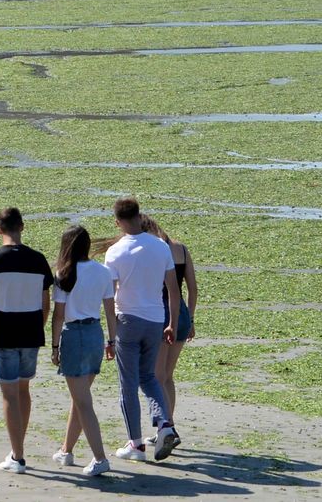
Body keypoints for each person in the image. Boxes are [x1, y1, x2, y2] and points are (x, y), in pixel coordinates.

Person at [0, 207, 53, 474]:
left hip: (4, 330)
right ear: (22, 227)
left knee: (8, 394)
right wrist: (39, 326)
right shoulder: (38, 260)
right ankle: (18, 448)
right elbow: (45, 302)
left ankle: (17, 455)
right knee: (23, 390)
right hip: (30, 330)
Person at [101, 197, 182, 462]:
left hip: (128, 320)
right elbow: (172, 288)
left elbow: (110, 296)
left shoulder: (114, 251)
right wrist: (172, 322)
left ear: (117, 221)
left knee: (128, 384)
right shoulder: (160, 246)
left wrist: (110, 336)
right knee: (149, 377)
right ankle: (164, 424)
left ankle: (135, 444)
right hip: (156, 320)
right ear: (139, 215)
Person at [49, 225, 117, 478]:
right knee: (80, 398)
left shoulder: (64, 273)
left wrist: (55, 346)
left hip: (74, 335)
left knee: (83, 402)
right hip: (95, 334)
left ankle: (100, 457)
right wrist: (112, 341)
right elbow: (110, 310)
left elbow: (58, 316)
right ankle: (66, 450)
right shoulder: (103, 272)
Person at [141, 215, 196, 439]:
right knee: (168, 376)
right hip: (181, 312)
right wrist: (190, 319)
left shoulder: (154, 250)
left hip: (163, 315)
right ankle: (168, 425)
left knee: (157, 375)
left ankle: (167, 427)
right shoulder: (181, 248)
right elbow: (193, 288)